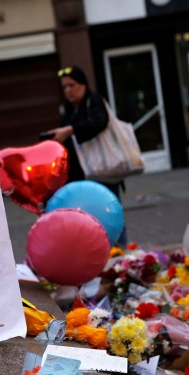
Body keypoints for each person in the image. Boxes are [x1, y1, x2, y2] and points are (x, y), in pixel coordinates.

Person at [45, 65, 128, 247]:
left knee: (109, 213)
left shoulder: (94, 101)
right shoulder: (69, 109)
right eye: (65, 87)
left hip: (102, 171)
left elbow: (99, 122)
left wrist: (71, 130)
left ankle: (120, 254)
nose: (68, 91)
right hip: (82, 175)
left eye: (72, 85)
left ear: (83, 84)